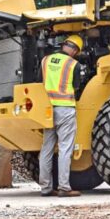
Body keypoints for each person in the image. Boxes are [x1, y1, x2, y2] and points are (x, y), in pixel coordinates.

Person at [39, 35, 84, 197]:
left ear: (64, 45)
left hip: (47, 109)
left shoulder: (45, 60)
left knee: (46, 148)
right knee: (65, 148)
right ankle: (64, 187)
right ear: (75, 50)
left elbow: (40, 82)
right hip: (65, 109)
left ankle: (45, 187)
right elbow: (77, 86)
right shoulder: (74, 64)